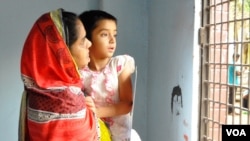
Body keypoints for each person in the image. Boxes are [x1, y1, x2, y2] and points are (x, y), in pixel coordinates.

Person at [19, 8, 99, 141]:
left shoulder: (36, 93)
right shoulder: (67, 101)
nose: (89, 44)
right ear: (64, 53)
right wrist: (92, 113)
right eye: (82, 40)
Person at [78, 10, 141, 141]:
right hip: (93, 135)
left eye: (115, 35)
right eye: (104, 34)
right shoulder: (80, 73)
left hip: (121, 137)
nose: (112, 40)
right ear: (87, 39)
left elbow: (127, 104)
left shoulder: (119, 65)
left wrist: (98, 112)